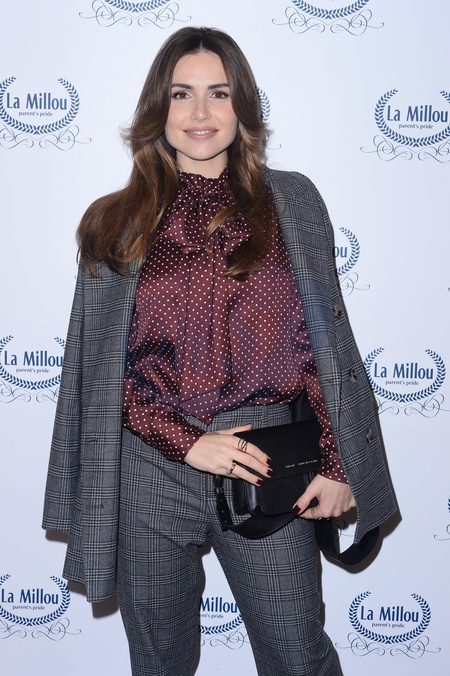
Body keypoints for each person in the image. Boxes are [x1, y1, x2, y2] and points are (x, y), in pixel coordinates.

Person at [43, 26, 397, 676]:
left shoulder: (293, 201)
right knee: (161, 661)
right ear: (159, 108)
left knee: (297, 656)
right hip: (150, 461)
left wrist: (339, 460)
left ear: (243, 107)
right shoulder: (113, 221)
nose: (200, 112)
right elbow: (98, 375)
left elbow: (323, 343)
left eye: (220, 93)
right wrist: (186, 442)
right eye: (182, 94)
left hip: (268, 457)